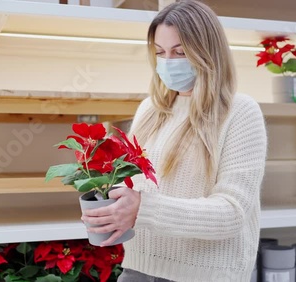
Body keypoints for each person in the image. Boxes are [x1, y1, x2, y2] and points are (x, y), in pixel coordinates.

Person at [81, 1, 267, 281]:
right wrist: (109, 204)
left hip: (206, 274)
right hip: (138, 269)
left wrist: (142, 208)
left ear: (207, 52)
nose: (168, 62)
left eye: (180, 52)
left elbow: (232, 213)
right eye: (160, 52)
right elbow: (132, 182)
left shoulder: (239, 112)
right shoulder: (150, 110)